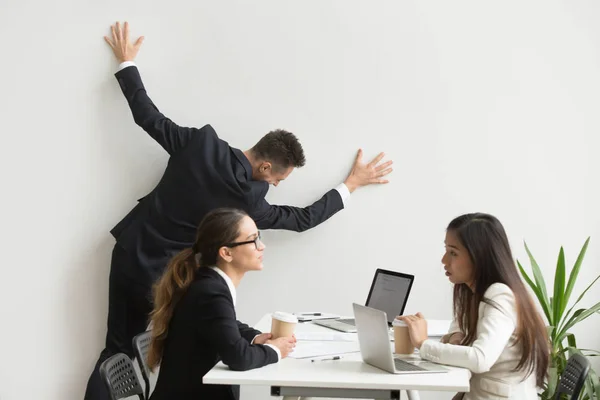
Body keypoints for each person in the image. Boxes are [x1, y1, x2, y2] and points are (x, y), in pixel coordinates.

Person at [85, 21, 393, 399]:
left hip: (130, 253)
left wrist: (126, 64)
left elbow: (148, 116)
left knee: (115, 351)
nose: (275, 187)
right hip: (168, 278)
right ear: (265, 168)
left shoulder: (199, 143)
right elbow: (301, 219)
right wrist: (351, 184)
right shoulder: (247, 204)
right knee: (193, 354)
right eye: (278, 180)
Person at [146, 208, 294, 399]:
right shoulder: (210, 292)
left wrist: (256, 338)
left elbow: (224, 323)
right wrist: (275, 350)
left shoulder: (208, 283)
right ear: (226, 253)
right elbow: (238, 358)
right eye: (254, 239)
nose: (262, 246)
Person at [398, 213, 549, 400]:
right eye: (446, 250)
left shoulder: (500, 295)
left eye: (453, 252)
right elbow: (460, 323)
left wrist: (422, 343)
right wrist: (455, 335)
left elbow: (480, 359)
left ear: (479, 256)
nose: (444, 260)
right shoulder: (474, 291)